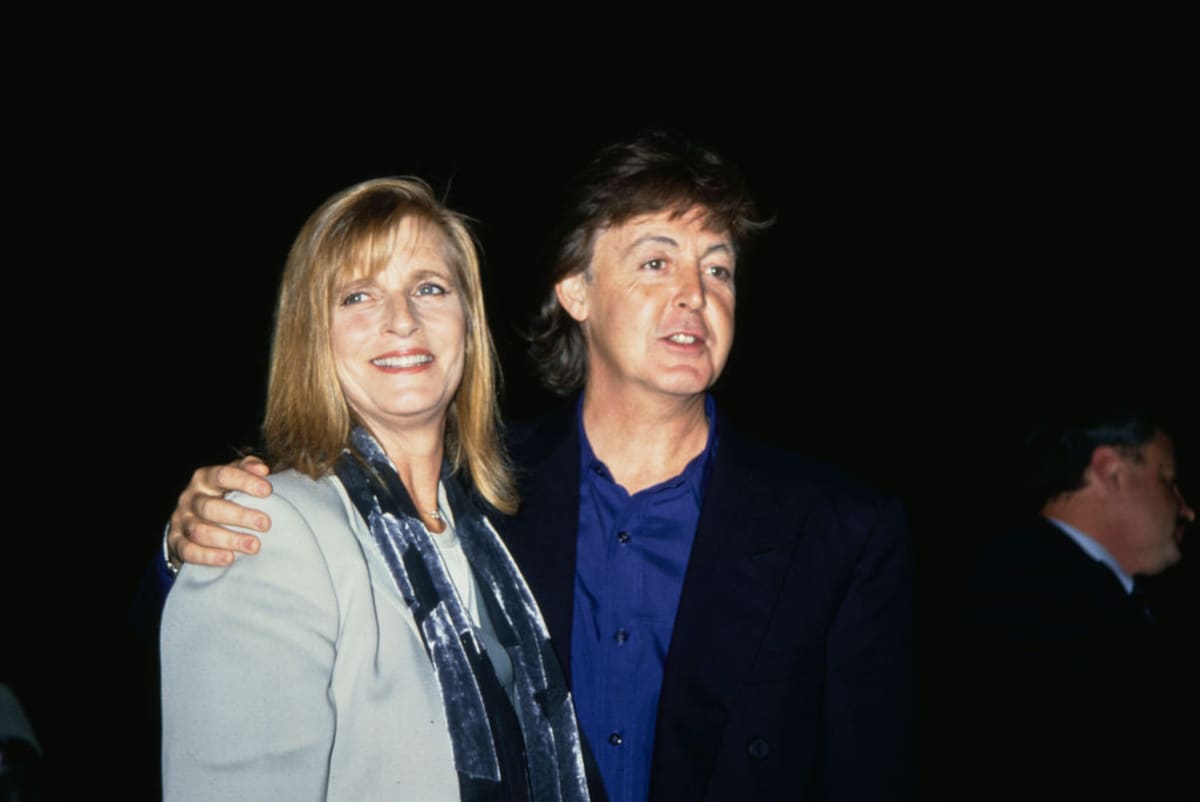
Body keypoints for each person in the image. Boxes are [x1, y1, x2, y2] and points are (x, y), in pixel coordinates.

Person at [160, 132, 917, 801]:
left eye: (718, 270)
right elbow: (233, 645)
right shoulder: (482, 490)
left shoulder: (840, 527)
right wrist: (185, 538)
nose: (695, 294)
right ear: (575, 290)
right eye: (657, 261)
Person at [159, 177, 589, 801]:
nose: (402, 321)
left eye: (429, 288)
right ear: (314, 336)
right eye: (359, 296)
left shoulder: (488, 534)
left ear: (468, 323)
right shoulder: (266, 527)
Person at [956, 404, 1195, 801]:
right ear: (1110, 471)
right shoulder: (1029, 598)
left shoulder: (1065, 586)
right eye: (1167, 480)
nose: (1186, 508)